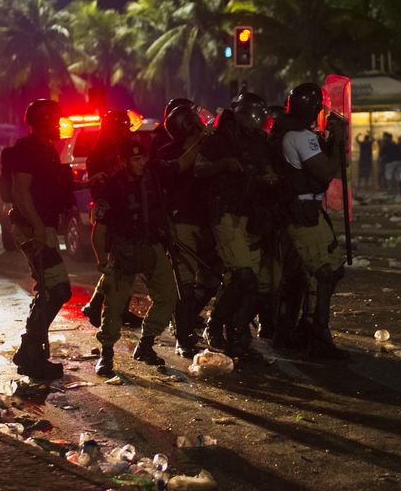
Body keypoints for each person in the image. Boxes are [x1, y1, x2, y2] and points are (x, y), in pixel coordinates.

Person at [268, 83, 348, 360]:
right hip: (302, 213)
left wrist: (330, 141)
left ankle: (302, 327)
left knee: (321, 273)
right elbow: (326, 171)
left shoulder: (289, 132)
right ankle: (318, 337)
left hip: (305, 210)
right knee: (324, 273)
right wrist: (337, 141)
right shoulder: (299, 136)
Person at [195, 92, 274, 358]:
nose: (256, 121)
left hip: (249, 216)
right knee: (243, 276)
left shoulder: (259, 141)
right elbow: (199, 168)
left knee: (252, 281)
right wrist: (224, 164)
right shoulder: (219, 139)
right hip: (225, 214)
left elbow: (266, 170)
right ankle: (218, 327)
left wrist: (267, 177)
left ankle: (235, 333)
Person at [91, 140, 180, 376]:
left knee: (169, 296)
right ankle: (106, 353)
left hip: (152, 245)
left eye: (143, 158)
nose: (142, 163)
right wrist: (102, 259)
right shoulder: (112, 187)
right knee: (115, 306)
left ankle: (146, 344)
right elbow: (99, 230)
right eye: (136, 159)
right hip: (125, 249)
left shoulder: (153, 177)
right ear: (123, 161)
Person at [8, 100, 74, 380]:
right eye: (55, 120)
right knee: (56, 288)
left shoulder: (46, 149)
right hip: (32, 228)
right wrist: (36, 226)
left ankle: (29, 352)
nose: (59, 125)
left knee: (52, 288)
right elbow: (20, 191)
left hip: (41, 226)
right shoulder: (27, 150)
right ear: (44, 120)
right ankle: (30, 353)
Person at [155, 104, 218, 358]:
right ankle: (183, 337)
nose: (202, 123)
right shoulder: (168, 152)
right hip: (183, 222)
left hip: (208, 221)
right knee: (186, 283)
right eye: (195, 120)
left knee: (212, 279)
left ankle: (188, 319)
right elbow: (180, 166)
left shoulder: (209, 146)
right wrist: (200, 143)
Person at [81, 110, 137, 328]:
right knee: (117, 262)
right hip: (109, 212)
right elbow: (104, 186)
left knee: (124, 263)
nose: (125, 132)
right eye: (121, 128)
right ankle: (97, 305)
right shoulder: (99, 155)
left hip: (124, 211)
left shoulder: (120, 150)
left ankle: (108, 307)